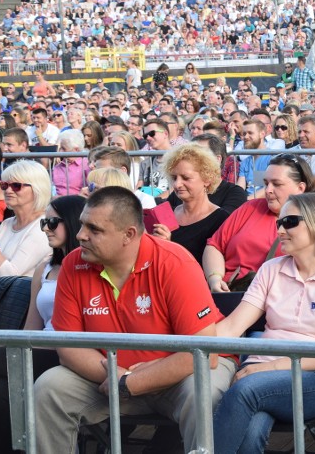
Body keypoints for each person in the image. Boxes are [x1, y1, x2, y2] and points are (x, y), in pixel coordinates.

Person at [33, 186, 236, 452]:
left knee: (202, 393)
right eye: (82, 225)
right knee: (49, 388)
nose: (81, 235)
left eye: (94, 229)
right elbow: (68, 346)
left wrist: (132, 381)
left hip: (179, 375)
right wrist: (120, 378)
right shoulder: (74, 263)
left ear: (129, 234)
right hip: (109, 376)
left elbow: (203, 354)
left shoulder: (174, 262)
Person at [212, 193, 315, 453]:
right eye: (278, 223)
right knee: (251, 431)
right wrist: (180, 344)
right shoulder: (271, 269)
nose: (280, 229)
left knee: (246, 391)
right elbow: (231, 327)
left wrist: (271, 367)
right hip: (261, 374)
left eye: (290, 221)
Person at [0, 195, 85, 454]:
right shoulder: (45, 269)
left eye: (53, 222)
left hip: (72, 352)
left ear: (73, 222)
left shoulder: (88, 267)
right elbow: (30, 330)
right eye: (43, 222)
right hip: (41, 347)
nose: (46, 228)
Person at [203, 154, 315, 292]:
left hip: (283, 304)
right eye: (266, 183)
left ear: (300, 188)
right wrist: (215, 278)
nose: (268, 190)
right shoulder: (250, 208)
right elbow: (215, 245)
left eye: (276, 184)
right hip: (230, 293)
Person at [0, 160, 53, 282]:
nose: (8, 190)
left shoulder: (42, 227)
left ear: (37, 188)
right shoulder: (7, 223)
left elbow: (8, 276)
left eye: (16, 186)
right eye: (4, 185)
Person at [151, 144, 230, 264]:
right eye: (174, 177)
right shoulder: (169, 213)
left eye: (186, 178)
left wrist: (169, 246)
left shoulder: (221, 220)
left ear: (207, 179)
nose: (177, 184)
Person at [52, 129, 90, 196]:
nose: (60, 152)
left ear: (76, 150)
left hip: (78, 204)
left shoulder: (87, 165)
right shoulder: (57, 166)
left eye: (64, 149)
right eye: (60, 148)